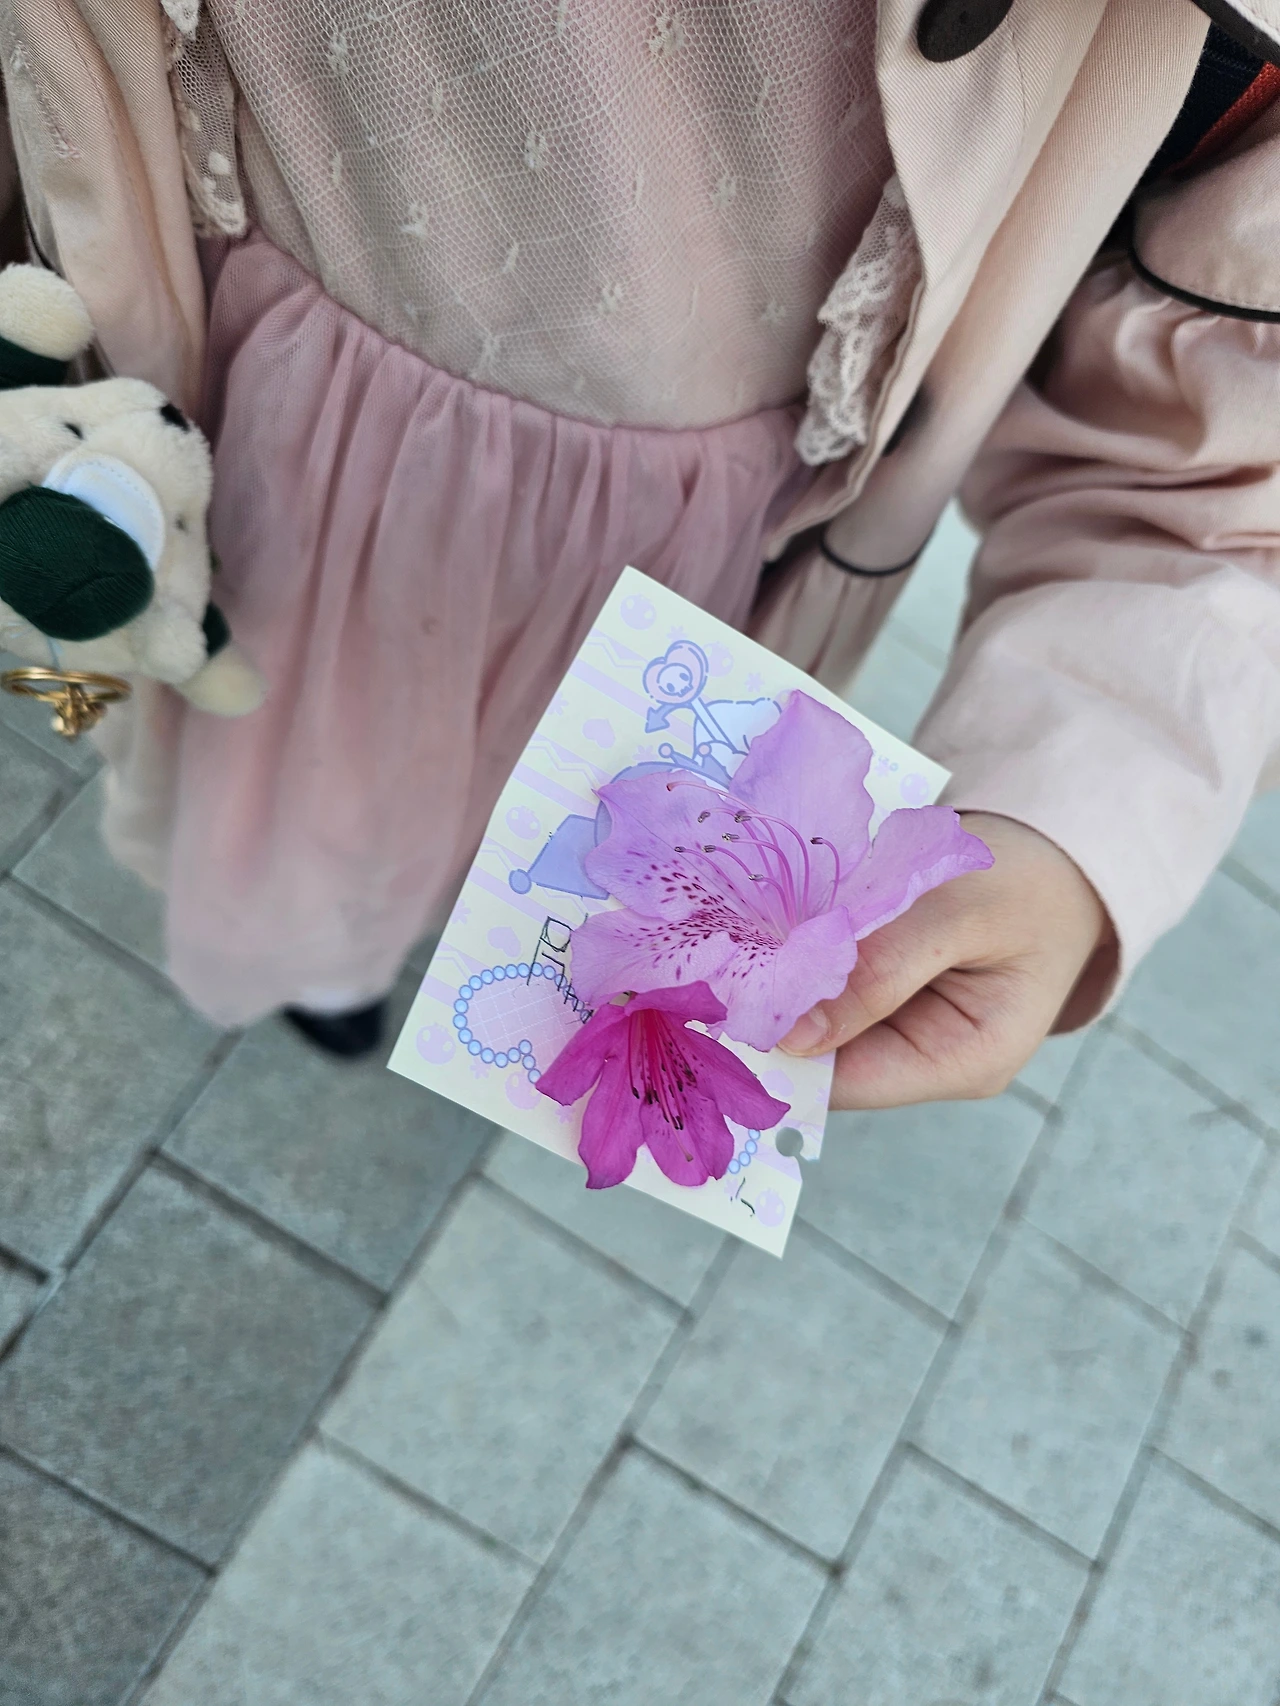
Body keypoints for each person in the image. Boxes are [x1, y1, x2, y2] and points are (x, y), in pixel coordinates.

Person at [2, 0, 1277, 1106]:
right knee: (295, 758)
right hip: (287, 423)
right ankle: (320, 958)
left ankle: (386, 941)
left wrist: (1071, 807)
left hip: (705, 555)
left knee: (542, 820)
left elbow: (1201, 448)